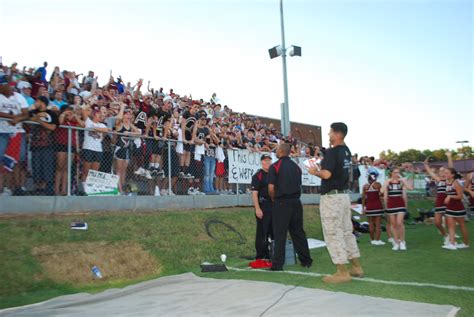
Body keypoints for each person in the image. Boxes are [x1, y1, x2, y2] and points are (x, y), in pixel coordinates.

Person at [307, 122, 362, 284]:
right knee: (346, 232)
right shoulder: (346, 151)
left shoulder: (331, 152)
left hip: (331, 197)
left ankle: (342, 272)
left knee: (333, 233)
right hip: (344, 196)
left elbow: (327, 174)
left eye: (331, 133)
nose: (329, 136)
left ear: (338, 134)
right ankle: (356, 267)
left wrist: (314, 171)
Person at [267, 143, 312, 271]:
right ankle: (306, 260)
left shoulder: (275, 166)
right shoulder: (297, 167)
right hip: (296, 202)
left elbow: (271, 188)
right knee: (298, 232)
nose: (275, 151)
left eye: (277, 149)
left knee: (280, 234)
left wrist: (274, 199)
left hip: (282, 202)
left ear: (281, 151)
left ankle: (277, 264)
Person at [423, 153, 453, 245]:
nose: (442, 172)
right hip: (439, 202)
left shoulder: (449, 179)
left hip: (449, 202)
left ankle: (451, 240)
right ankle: (445, 235)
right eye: (441, 171)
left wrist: (449, 156)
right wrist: (425, 164)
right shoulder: (438, 179)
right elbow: (430, 172)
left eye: (444, 171)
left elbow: (451, 167)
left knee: (449, 223)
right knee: (437, 223)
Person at [382, 167, 413, 251]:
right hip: (391, 204)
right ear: (391, 173)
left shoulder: (401, 181)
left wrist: (404, 181)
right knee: (393, 224)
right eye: (395, 172)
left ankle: (402, 241)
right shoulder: (388, 181)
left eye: (398, 172)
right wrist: (386, 183)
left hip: (400, 204)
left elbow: (410, 188)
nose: (397, 174)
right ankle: (396, 242)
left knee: (399, 223)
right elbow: (381, 191)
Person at [251, 154, 274, 259]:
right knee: (262, 232)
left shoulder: (274, 174)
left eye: (269, 160)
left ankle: (272, 252)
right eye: (265, 160)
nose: (268, 162)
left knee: (273, 230)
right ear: (262, 162)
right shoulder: (258, 175)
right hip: (263, 205)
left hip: (273, 205)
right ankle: (260, 254)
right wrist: (257, 208)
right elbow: (254, 193)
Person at [443, 168, 469, 250]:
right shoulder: (447, 182)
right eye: (445, 173)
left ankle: (465, 243)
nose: (445, 174)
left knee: (462, 225)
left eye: (447, 173)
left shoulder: (456, 183)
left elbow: (460, 196)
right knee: (450, 226)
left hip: (457, 208)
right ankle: (452, 244)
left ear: (452, 175)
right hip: (450, 207)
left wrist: (450, 196)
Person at [362, 168, 385, 245]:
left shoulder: (365, 186)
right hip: (377, 206)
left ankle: (372, 240)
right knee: (378, 224)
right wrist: (384, 206)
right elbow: (382, 195)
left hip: (369, 207)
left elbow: (363, 198)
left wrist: (363, 208)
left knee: (371, 223)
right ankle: (377, 240)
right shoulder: (378, 185)